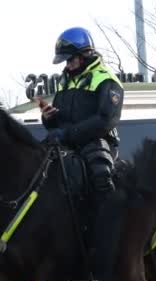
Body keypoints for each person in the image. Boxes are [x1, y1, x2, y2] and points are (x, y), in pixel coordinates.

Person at [39, 27, 124, 212]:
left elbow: (106, 120)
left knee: (101, 177)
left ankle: (109, 225)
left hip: (97, 142)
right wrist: (48, 118)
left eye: (70, 60)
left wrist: (67, 134)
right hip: (67, 143)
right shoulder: (66, 80)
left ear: (84, 54)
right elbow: (58, 119)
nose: (67, 65)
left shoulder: (106, 80)